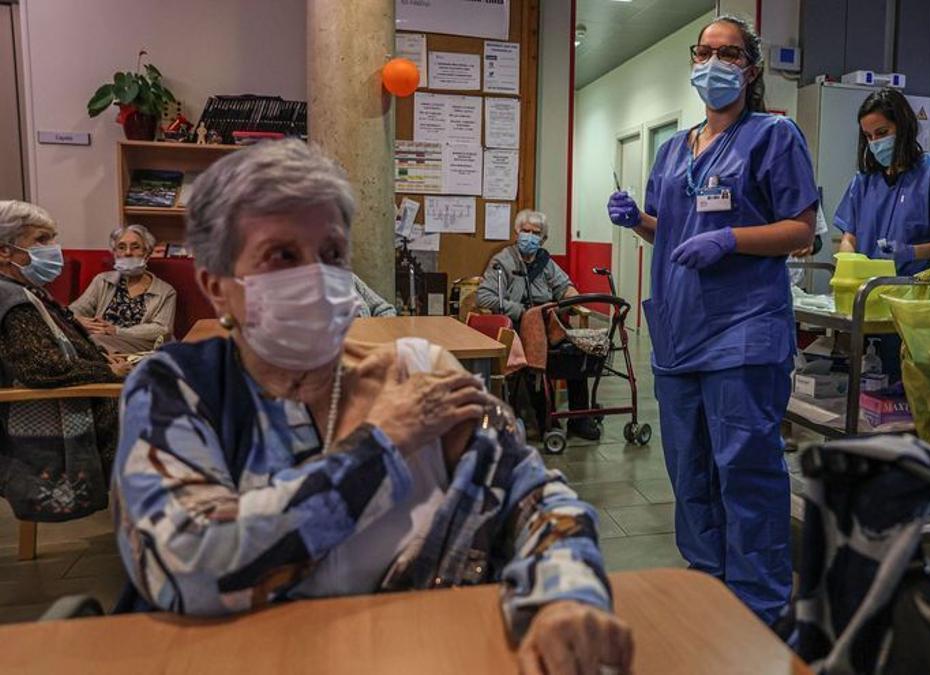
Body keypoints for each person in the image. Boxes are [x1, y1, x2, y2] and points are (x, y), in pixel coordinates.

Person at [111, 141, 632, 673]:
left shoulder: (420, 372)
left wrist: (566, 597)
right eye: (282, 256)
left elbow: (539, 500)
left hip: (428, 654)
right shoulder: (180, 389)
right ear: (217, 288)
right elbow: (191, 565)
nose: (316, 277)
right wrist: (382, 443)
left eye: (333, 254)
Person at [606, 15, 817, 626]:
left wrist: (730, 239)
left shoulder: (775, 136)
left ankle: (761, 607)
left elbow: (800, 231)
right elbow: (670, 229)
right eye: (705, 52)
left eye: (728, 54)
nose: (714, 63)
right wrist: (636, 222)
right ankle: (709, 585)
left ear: (750, 68)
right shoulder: (674, 149)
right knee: (690, 471)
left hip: (742, 330)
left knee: (745, 471)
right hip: (678, 331)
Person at [0, 200, 130, 522]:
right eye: (41, 240)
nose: (53, 249)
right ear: (4, 252)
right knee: (178, 414)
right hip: (80, 413)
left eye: (53, 239)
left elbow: (58, 348)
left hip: (89, 395)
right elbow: (43, 367)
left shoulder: (26, 290)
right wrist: (107, 372)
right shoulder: (12, 299)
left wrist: (100, 358)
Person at [475, 209, 601, 441]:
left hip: (547, 323)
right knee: (536, 357)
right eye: (526, 231)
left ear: (542, 238)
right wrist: (521, 311)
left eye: (536, 233)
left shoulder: (545, 262)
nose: (530, 236)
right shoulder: (502, 261)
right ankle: (546, 421)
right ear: (517, 232)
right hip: (517, 325)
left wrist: (572, 300)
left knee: (577, 351)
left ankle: (579, 418)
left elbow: (566, 287)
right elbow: (484, 297)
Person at [834, 87, 930, 275]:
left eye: (882, 132)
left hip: (914, 291)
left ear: (903, 126)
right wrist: (848, 267)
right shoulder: (863, 181)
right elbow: (849, 238)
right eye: (869, 136)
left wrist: (912, 252)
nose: (875, 142)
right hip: (868, 288)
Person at [70, 224, 177, 353]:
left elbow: (162, 330)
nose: (128, 253)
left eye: (135, 247)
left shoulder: (165, 291)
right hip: (99, 341)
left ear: (147, 252)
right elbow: (76, 309)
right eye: (121, 247)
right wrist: (78, 319)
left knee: (94, 341)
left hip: (141, 347)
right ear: (114, 253)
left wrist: (116, 331)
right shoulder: (102, 280)